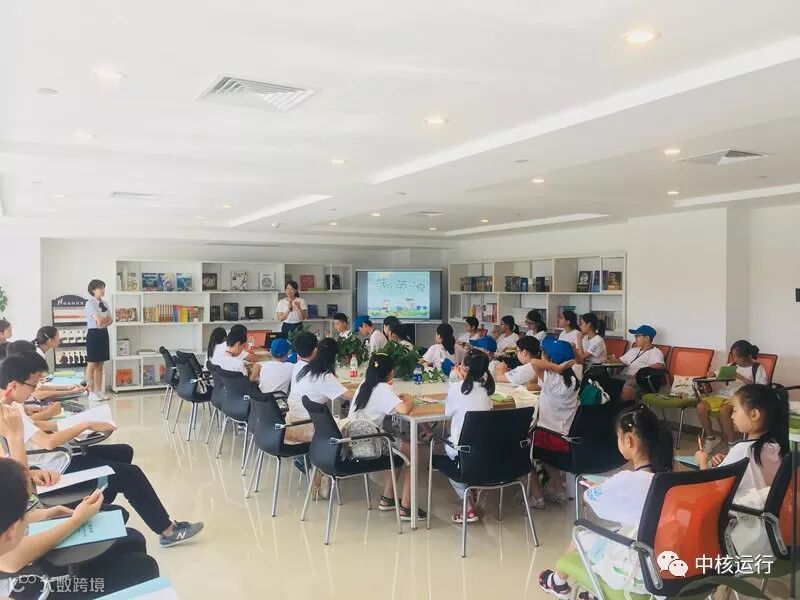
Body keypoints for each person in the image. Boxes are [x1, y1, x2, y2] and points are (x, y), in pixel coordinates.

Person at [0, 353, 204, 547]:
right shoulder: (7, 412)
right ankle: (167, 530)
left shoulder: (12, 407)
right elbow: (47, 443)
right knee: (130, 474)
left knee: (123, 452)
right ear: (13, 385)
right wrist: (85, 424)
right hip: (56, 471)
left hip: (57, 460)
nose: (34, 390)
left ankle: (101, 497)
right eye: (32, 385)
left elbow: (36, 428)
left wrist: (75, 422)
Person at [539, 405, 674, 599]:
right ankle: (586, 592)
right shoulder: (670, 481)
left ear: (628, 441)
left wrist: (596, 488)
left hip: (637, 569)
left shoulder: (626, 480)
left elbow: (592, 499)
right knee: (615, 532)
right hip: (664, 563)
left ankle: (557, 582)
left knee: (581, 534)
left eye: (618, 437)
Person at [0, 458, 160, 600]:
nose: (28, 513)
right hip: (33, 586)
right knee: (142, 567)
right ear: (11, 532)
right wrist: (75, 521)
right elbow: (11, 561)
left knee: (133, 540)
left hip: (28, 572)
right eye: (25, 512)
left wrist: (43, 514)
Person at [696, 383, 787, 561]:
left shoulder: (742, 450)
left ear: (754, 415)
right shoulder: (776, 448)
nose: (731, 416)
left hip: (743, 534)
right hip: (776, 533)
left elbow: (710, 492)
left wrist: (703, 462)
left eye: (735, 410)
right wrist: (727, 462)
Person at [347, 353, 423, 520]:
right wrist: (410, 399)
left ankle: (388, 498)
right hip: (371, 444)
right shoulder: (383, 388)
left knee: (398, 449)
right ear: (391, 373)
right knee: (413, 450)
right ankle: (407, 507)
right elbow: (404, 409)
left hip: (354, 442)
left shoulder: (364, 385)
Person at [286, 338, 353, 498]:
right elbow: (350, 396)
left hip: (291, 423)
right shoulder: (324, 376)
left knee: (336, 419)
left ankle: (316, 470)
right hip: (308, 428)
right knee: (349, 424)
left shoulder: (301, 368)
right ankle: (325, 471)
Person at [443, 351, 495, 523]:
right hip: (485, 448)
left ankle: (468, 506)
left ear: (464, 367)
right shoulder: (486, 390)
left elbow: (447, 412)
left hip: (462, 449)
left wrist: (455, 381)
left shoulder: (458, 388)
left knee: (448, 449)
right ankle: (473, 489)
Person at [529, 338, 580, 508]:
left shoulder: (551, 379)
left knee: (522, 449)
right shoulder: (575, 378)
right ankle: (558, 490)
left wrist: (557, 368)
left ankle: (537, 497)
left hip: (549, 438)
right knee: (547, 457)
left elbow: (533, 362)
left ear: (550, 359)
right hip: (566, 436)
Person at [696, 340, 769, 453]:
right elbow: (716, 374)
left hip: (742, 398)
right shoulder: (732, 366)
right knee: (701, 407)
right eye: (733, 356)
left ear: (747, 356)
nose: (735, 360)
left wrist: (741, 377)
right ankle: (711, 438)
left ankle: (731, 443)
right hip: (724, 395)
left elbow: (762, 388)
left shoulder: (757, 368)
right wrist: (711, 374)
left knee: (725, 410)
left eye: (737, 357)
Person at [615, 325, 666, 402]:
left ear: (647, 338)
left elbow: (660, 365)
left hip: (639, 380)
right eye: (635, 336)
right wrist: (605, 360)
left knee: (628, 384)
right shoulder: (633, 350)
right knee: (607, 380)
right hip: (625, 376)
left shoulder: (655, 352)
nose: (635, 339)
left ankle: (625, 407)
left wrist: (639, 372)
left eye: (637, 336)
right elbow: (620, 361)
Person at [85, 279, 113, 402]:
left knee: (101, 364)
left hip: (103, 334)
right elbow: (99, 320)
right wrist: (103, 320)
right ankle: (90, 392)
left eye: (103, 288)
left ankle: (98, 391)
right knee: (92, 364)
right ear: (93, 290)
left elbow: (111, 320)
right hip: (93, 334)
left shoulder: (105, 303)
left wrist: (103, 321)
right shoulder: (89, 303)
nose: (103, 290)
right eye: (100, 288)